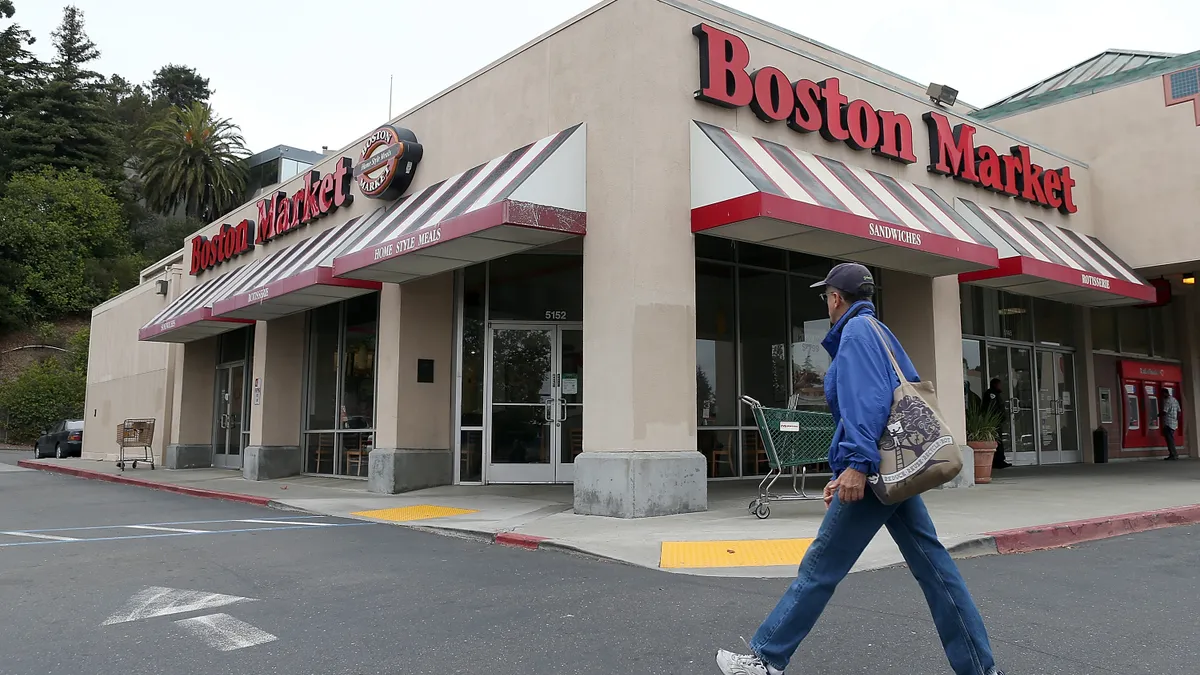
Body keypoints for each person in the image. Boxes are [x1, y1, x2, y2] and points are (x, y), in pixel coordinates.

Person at [715, 263, 1003, 675]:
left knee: (820, 567)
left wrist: (856, 465)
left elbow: (864, 403)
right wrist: (849, 465)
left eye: (826, 297)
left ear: (835, 298)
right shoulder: (878, 331)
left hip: (873, 473)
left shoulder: (854, 334)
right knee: (934, 567)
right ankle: (979, 669)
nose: (827, 304)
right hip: (889, 469)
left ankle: (766, 658)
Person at [982, 378, 1012, 469]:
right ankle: (998, 461)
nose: (1000, 386)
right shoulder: (992, 394)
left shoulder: (995, 394)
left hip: (997, 421)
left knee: (998, 441)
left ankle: (999, 460)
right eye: (999, 384)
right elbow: (991, 408)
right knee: (997, 441)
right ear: (995, 384)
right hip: (994, 422)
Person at [1161, 389, 1180, 461]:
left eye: (1162, 394)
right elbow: (1179, 411)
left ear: (1165, 393)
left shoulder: (1167, 401)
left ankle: (1173, 455)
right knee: (1171, 439)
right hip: (1174, 423)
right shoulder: (1174, 400)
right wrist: (1176, 419)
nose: (1162, 396)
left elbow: (1165, 412)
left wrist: (1157, 415)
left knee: (1169, 440)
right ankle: (1173, 454)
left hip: (1168, 423)